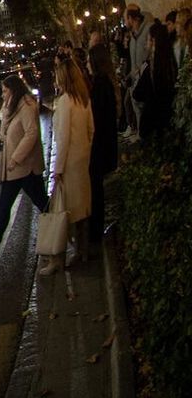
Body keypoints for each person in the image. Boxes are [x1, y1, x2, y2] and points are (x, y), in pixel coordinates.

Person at [0, 75, 49, 256]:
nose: (2, 95)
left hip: (26, 167)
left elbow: (31, 134)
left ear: (14, 90)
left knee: (43, 204)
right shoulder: (9, 109)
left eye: (5, 91)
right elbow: (2, 136)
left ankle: (62, 233)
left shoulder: (27, 106)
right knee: (5, 205)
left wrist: (15, 158)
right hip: (13, 169)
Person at [44, 56, 95, 276]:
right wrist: (85, 149)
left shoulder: (65, 102)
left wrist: (58, 169)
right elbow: (91, 129)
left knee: (64, 212)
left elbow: (62, 139)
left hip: (69, 163)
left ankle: (59, 257)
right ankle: (82, 250)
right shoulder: (83, 98)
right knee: (82, 208)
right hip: (83, 158)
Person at [85, 30, 120, 244]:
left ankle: (95, 234)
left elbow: (97, 118)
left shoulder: (99, 85)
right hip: (106, 142)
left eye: (89, 61)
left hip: (100, 145)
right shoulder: (106, 82)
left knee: (95, 189)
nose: (87, 64)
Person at [137, 21, 177, 140]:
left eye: (148, 39)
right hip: (167, 119)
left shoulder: (152, 68)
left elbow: (138, 93)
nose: (146, 44)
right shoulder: (170, 61)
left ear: (154, 42)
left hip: (154, 121)